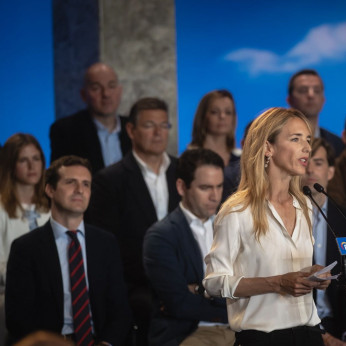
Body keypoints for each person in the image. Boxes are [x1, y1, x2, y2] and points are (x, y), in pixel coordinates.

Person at [203, 107, 330, 345]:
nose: (307, 148)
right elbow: (213, 283)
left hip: (310, 335)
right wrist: (278, 282)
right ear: (268, 148)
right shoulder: (237, 211)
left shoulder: (305, 205)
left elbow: (294, 273)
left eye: (308, 139)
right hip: (262, 339)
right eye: (295, 139)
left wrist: (312, 275)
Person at [5, 155, 132, 345]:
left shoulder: (106, 243)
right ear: (50, 189)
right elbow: (18, 319)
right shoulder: (26, 248)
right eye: (71, 182)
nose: (80, 190)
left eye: (86, 184)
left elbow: (120, 310)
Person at [86, 97, 180, 345]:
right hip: (137, 288)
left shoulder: (183, 171)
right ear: (131, 130)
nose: (159, 133)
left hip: (185, 282)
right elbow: (108, 247)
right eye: (150, 125)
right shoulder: (109, 181)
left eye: (164, 125)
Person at [143, 149, 233, 345]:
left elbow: (247, 283)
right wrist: (231, 307)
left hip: (239, 329)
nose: (215, 196)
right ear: (182, 187)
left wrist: (200, 289)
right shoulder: (161, 236)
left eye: (219, 186)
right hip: (189, 333)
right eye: (205, 188)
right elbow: (178, 304)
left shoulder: (230, 226)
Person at [302, 138, 346, 345]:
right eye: (305, 161)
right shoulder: (282, 219)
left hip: (339, 323)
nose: (310, 169)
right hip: (297, 326)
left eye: (318, 163)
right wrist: (324, 338)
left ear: (330, 172)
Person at [0, 134, 51, 342]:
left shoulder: (51, 206)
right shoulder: (2, 209)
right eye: (23, 160)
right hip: (11, 297)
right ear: (10, 165)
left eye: (36, 158)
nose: (32, 166)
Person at [50, 62, 131, 172]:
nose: (106, 94)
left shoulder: (133, 128)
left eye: (111, 86)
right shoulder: (66, 130)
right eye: (96, 88)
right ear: (83, 94)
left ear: (120, 91)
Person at [189, 90, 241, 202]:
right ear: (203, 116)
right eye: (214, 112)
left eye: (228, 112)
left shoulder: (242, 159)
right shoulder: (189, 160)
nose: (222, 116)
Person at [286, 69, 344, 155]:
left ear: (323, 100)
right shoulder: (276, 139)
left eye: (317, 91)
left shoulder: (338, 145)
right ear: (289, 100)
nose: (311, 95)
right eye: (303, 90)